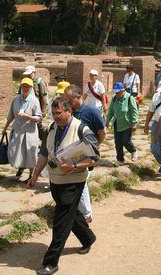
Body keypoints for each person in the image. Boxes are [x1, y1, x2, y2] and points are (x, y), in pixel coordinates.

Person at [28, 96, 99, 275]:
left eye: (59, 113)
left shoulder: (83, 130)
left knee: (60, 220)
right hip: (56, 180)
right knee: (69, 213)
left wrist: (74, 166)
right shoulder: (52, 128)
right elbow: (44, 153)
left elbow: (95, 159)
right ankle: (88, 238)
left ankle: (51, 262)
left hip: (74, 181)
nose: (56, 116)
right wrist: (35, 174)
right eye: (53, 113)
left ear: (69, 111)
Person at [64, 85, 106, 224]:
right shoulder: (71, 111)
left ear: (79, 97)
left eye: (70, 99)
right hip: (73, 151)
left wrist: (94, 148)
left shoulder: (91, 112)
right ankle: (77, 210)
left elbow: (102, 132)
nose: (67, 102)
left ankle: (86, 214)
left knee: (81, 181)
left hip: (86, 153)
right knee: (77, 181)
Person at [2, 78, 42, 182]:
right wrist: (5, 128)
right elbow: (10, 115)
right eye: (24, 86)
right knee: (15, 151)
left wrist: (27, 116)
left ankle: (31, 175)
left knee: (30, 153)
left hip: (29, 132)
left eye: (27, 86)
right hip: (17, 130)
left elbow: (38, 118)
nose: (25, 88)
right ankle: (21, 167)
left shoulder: (34, 101)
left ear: (31, 88)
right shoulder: (16, 100)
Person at [106, 82, 139, 164]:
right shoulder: (114, 98)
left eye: (118, 92)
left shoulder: (129, 98)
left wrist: (134, 123)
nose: (116, 93)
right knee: (118, 142)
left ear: (123, 90)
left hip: (127, 123)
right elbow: (111, 110)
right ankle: (120, 159)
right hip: (117, 123)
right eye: (115, 92)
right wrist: (107, 120)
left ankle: (133, 151)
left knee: (125, 141)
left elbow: (134, 111)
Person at [144, 79, 161, 183]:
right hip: (156, 124)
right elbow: (151, 110)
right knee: (154, 148)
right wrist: (146, 124)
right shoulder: (156, 96)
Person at [21, 65, 50, 137]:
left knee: (38, 125)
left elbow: (43, 96)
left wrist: (43, 110)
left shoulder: (39, 81)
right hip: (27, 108)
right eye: (27, 74)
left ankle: (45, 140)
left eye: (29, 74)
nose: (28, 75)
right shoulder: (25, 82)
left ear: (34, 72)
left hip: (38, 108)